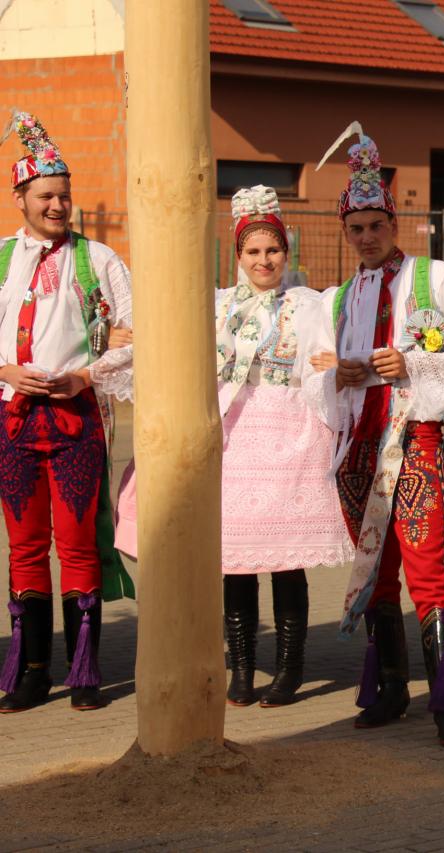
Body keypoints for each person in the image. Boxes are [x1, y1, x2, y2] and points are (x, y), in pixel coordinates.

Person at [298, 123, 444, 748]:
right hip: (358, 444)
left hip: (415, 438)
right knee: (376, 567)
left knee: (425, 566)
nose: (366, 237)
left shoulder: (436, 277)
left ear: (394, 223)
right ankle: (389, 687)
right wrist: (339, 375)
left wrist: (410, 363)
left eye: (375, 226)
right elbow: (312, 375)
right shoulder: (335, 299)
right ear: (345, 231)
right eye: (355, 228)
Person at [121, 186, 352, 707]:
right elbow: (177, 349)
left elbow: (326, 359)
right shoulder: (219, 305)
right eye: (253, 251)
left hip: (290, 437)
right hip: (234, 438)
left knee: (287, 563)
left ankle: (290, 669)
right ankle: (242, 667)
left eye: (273, 250)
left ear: (287, 253)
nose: (263, 260)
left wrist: (332, 369)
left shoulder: (309, 304)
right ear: (239, 255)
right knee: (236, 561)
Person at [0, 111, 133, 713]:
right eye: (46, 196)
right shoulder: (3, 258)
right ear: (20, 198)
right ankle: (32, 671)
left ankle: (84, 670)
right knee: (24, 547)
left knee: (77, 545)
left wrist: (85, 374)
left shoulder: (98, 259)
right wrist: (7, 371)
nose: (58, 206)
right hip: (13, 420)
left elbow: (135, 336)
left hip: (75, 418)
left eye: (65, 195)